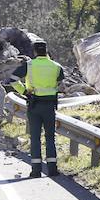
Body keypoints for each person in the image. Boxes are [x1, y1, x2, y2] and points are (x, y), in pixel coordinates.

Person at [10, 41, 64, 178]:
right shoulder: (56, 67)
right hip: (50, 106)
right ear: (47, 51)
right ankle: (52, 170)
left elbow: (12, 79)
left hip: (34, 105)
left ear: (34, 52)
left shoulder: (29, 65)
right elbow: (59, 82)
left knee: (35, 137)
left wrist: (24, 91)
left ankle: (36, 171)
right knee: (50, 137)